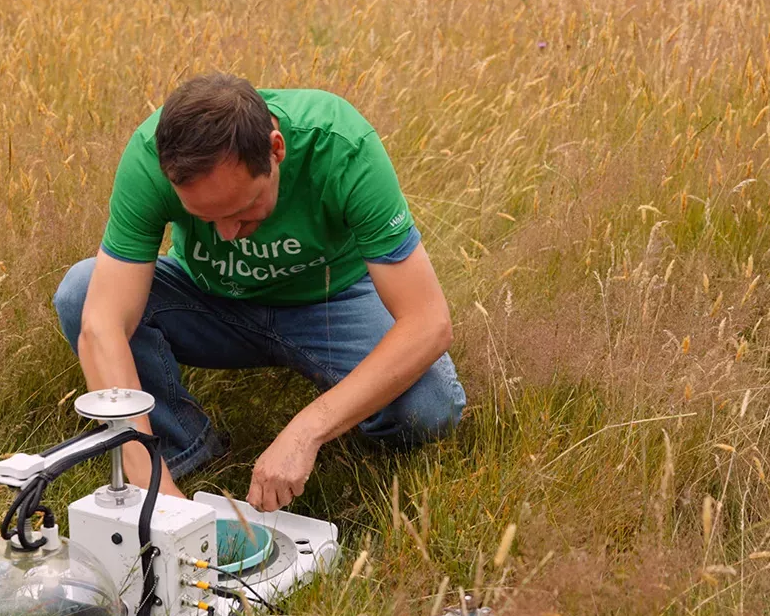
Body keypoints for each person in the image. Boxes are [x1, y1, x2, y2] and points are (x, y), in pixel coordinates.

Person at [53, 73, 465, 512]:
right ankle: (182, 445)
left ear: (276, 150)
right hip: (212, 301)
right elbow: (102, 327)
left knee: (429, 406)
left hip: (331, 302)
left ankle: (354, 425)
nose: (228, 234)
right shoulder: (150, 158)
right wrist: (152, 488)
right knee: (82, 293)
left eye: (242, 210)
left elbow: (428, 322)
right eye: (206, 218)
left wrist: (308, 430)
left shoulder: (341, 145)